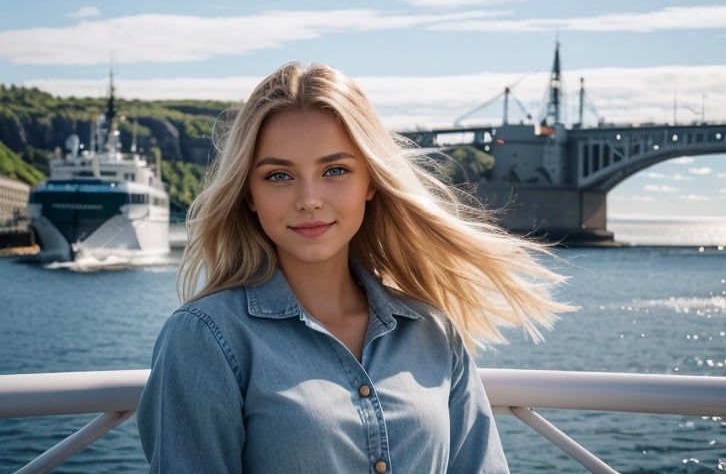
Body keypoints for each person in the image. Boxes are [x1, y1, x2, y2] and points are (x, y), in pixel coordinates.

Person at [136, 62, 572, 473]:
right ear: (248, 194)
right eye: (279, 176)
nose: (309, 199)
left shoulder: (432, 331)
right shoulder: (206, 339)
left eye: (335, 170)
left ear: (370, 182)